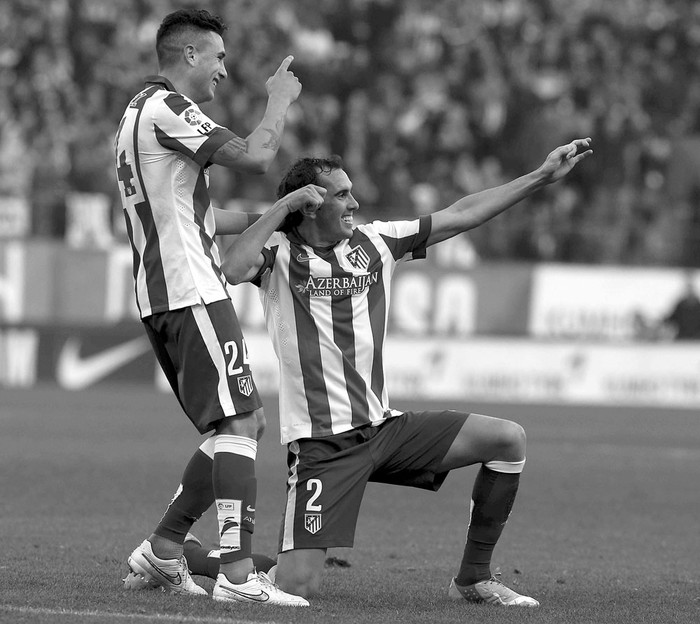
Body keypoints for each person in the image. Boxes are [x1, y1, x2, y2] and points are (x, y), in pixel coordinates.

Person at [188, 138, 592, 605]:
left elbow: (463, 214)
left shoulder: (379, 240)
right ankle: (197, 559)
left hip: (384, 429)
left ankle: (473, 579)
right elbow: (233, 268)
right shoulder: (278, 252)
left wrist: (539, 176)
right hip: (323, 446)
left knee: (507, 438)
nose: (354, 203)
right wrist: (283, 207)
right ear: (311, 204)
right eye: (341, 195)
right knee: (294, 586)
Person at [114, 7, 310, 606]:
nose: (225, 70)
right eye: (219, 57)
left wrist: (279, 216)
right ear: (190, 55)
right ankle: (235, 575)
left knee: (244, 421)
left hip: (171, 291)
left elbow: (196, 216)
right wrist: (279, 101)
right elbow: (255, 156)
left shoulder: (136, 114)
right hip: (189, 289)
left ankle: (165, 548)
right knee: (237, 421)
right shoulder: (168, 108)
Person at [661, 273, 700, 340]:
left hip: (696, 338)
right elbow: (671, 318)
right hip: (682, 337)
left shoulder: (698, 304)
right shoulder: (681, 305)